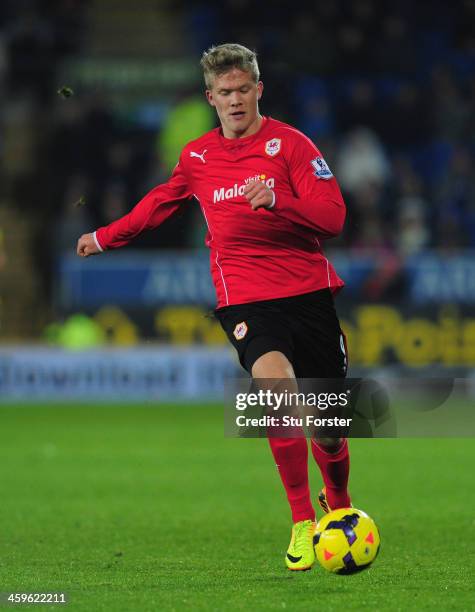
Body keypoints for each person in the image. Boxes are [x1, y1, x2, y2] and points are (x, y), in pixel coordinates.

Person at [77, 43, 351, 571]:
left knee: (331, 426)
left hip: (308, 293)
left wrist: (279, 200)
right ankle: (301, 521)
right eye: (224, 92)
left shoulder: (292, 145)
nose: (235, 99)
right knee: (276, 391)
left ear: (258, 89)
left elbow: (334, 217)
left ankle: (338, 505)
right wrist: (105, 237)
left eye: (243, 89)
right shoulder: (197, 157)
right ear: (210, 97)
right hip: (245, 296)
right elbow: (160, 203)